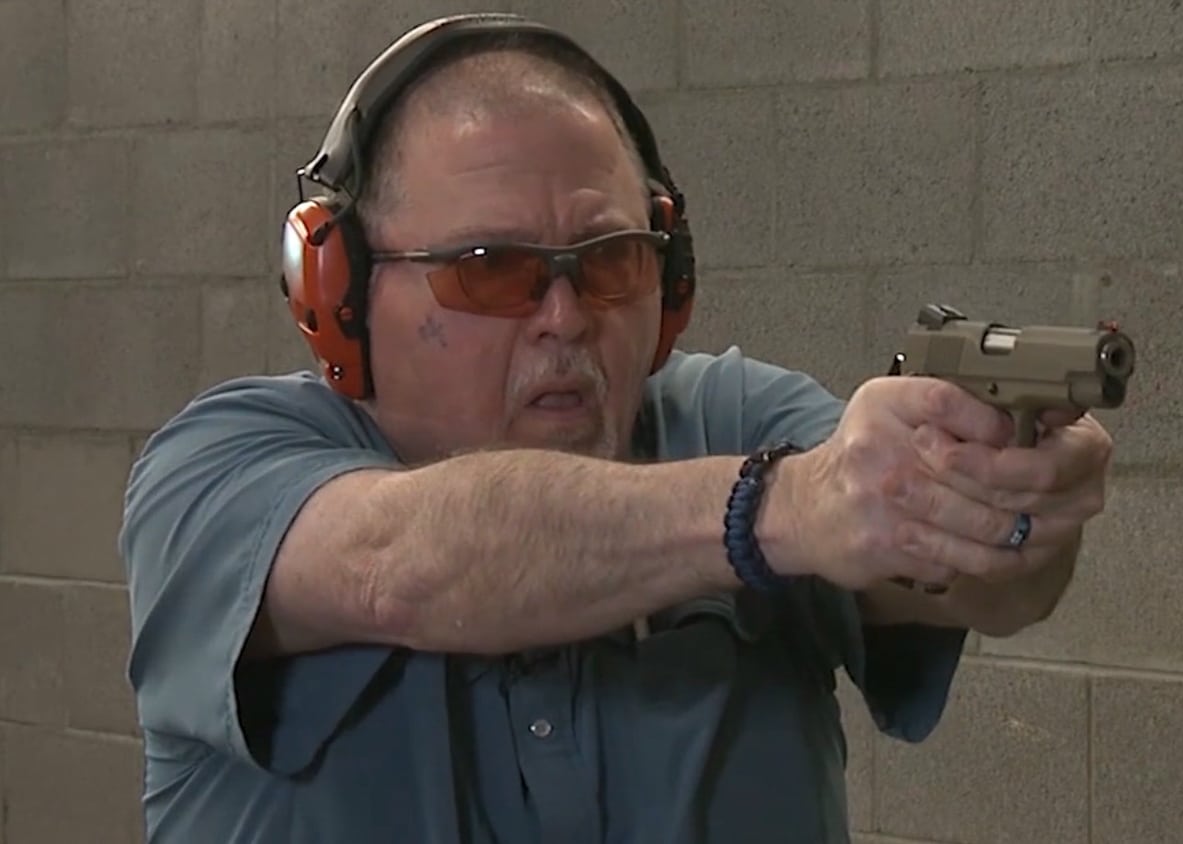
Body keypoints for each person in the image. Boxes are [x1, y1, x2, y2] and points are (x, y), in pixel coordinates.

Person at [118, 13, 1113, 844]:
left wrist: (1003, 509)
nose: (563, 316)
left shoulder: (735, 417)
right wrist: (777, 509)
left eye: (610, 261)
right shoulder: (215, 470)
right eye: (490, 269)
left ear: (668, 281)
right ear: (340, 288)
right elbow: (402, 561)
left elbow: (966, 583)